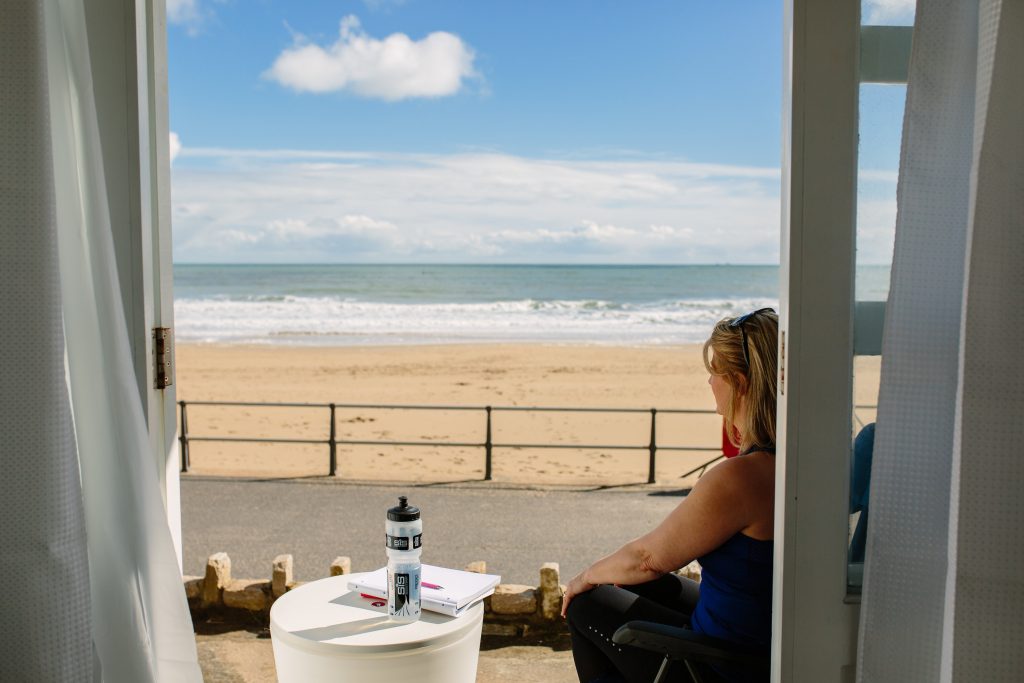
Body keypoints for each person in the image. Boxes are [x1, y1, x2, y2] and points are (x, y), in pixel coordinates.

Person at [562, 308, 778, 683]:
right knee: (633, 583)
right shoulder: (792, 464)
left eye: (715, 372)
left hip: (723, 663)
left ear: (740, 384)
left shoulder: (740, 478)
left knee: (586, 603)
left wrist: (584, 578)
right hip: (759, 642)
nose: (709, 381)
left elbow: (647, 558)